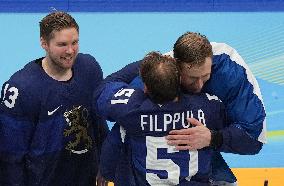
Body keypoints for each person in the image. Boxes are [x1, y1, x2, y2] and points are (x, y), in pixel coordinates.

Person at [99, 32, 266, 185]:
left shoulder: (231, 73)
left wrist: (213, 138)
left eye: (206, 76)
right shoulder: (209, 103)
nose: (200, 85)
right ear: (176, 68)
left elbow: (254, 138)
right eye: (193, 78)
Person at [0, 11, 108, 186]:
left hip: (86, 176)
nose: (70, 51)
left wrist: (106, 163)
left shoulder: (90, 68)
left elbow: (98, 120)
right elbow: (10, 155)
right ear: (44, 43)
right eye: (62, 44)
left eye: (75, 42)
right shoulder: (22, 88)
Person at [95, 52, 234, 185]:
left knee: (122, 129)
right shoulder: (207, 107)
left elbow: (103, 90)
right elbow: (229, 122)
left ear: (145, 87)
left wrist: (106, 173)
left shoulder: (130, 111)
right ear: (180, 80)